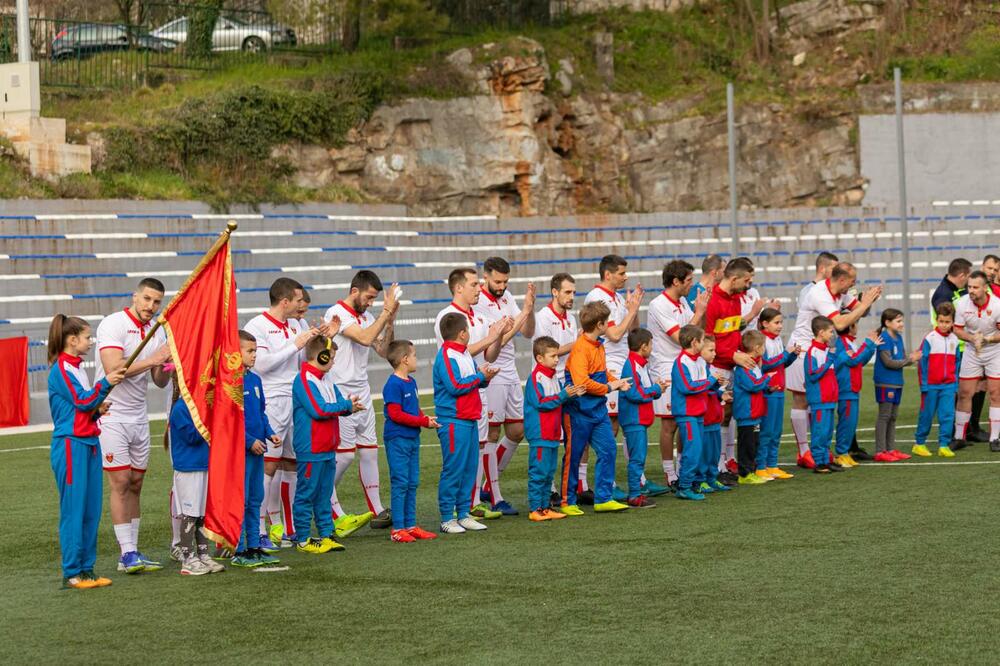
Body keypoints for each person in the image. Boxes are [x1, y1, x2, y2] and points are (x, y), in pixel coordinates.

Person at [94, 277, 172, 574]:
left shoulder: (156, 332)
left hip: (139, 416)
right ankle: (126, 553)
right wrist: (154, 357)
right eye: (147, 299)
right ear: (135, 297)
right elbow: (115, 368)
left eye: (156, 302)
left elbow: (159, 380)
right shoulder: (113, 323)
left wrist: (167, 366)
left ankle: (133, 551)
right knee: (121, 482)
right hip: (111, 413)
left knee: (137, 484)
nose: (151, 307)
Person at [243, 278, 326, 548]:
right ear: (285, 301)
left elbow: (303, 361)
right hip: (272, 400)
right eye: (299, 299)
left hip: (295, 396)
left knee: (293, 462)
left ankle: (290, 529)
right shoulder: (258, 325)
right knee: (268, 465)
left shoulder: (297, 324)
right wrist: (296, 343)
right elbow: (262, 365)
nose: (302, 304)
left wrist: (323, 339)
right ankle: (260, 530)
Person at [48, 314, 125, 589]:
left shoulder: (77, 367)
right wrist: (106, 383)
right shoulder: (62, 369)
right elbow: (81, 401)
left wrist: (97, 408)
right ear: (72, 340)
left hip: (90, 442)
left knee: (91, 510)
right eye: (87, 337)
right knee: (74, 510)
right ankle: (72, 573)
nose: (91, 342)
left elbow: (83, 407)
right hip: (71, 446)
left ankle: (87, 569)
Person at [323, 270, 400, 532]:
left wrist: (389, 321)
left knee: (369, 451)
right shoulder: (337, 314)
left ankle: (377, 510)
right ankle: (329, 507)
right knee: (343, 457)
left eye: (375, 299)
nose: (370, 303)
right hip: (340, 391)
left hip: (362, 390)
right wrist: (384, 314)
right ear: (355, 291)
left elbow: (382, 350)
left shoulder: (365, 316)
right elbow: (366, 338)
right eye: (368, 297)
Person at [786, 262, 882, 468]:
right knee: (802, 399)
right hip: (803, 347)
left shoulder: (841, 292)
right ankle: (804, 452)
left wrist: (868, 301)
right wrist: (864, 305)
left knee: (820, 402)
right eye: (852, 281)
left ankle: (818, 451)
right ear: (841, 280)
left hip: (824, 347)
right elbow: (839, 323)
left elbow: (859, 312)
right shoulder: (820, 293)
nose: (853, 285)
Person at [434, 267, 508, 520]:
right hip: (455, 412)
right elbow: (457, 373)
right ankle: (448, 515)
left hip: (473, 402)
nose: (479, 288)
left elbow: (486, 355)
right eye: (474, 284)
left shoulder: (476, 316)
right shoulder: (448, 318)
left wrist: (497, 337)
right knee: (455, 465)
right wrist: (492, 337)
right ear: (459, 288)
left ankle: (468, 507)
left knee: (471, 458)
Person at [474, 257, 536, 516]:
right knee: (491, 434)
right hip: (492, 370)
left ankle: (488, 485)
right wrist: (520, 315)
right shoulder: (480, 301)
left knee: (517, 430)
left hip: (510, 370)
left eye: (505, 281)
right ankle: (493, 495)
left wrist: (528, 310)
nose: (501, 286)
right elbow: (495, 340)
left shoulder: (508, 297)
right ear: (486, 277)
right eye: (497, 281)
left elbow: (528, 333)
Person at [290, 336, 363, 554]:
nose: (333, 362)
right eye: (331, 357)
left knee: (324, 494)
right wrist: (346, 405)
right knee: (306, 494)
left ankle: (326, 534)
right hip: (311, 448)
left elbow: (338, 404)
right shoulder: (304, 380)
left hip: (327, 447)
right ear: (321, 356)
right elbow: (320, 410)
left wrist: (349, 406)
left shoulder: (326, 379)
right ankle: (303, 539)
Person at [561, 301, 632, 514]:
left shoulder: (599, 345)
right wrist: (610, 386)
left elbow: (601, 373)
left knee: (609, 449)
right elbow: (583, 382)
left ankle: (603, 498)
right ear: (600, 324)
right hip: (578, 412)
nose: (609, 325)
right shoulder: (580, 349)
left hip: (597, 410)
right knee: (573, 455)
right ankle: (567, 501)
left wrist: (617, 382)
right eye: (607, 321)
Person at [583, 254, 643, 502]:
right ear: (608, 274)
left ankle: (634, 479)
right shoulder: (597, 298)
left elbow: (631, 330)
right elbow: (615, 335)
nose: (625, 277)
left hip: (621, 365)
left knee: (622, 422)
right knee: (609, 425)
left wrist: (634, 309)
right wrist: (631, 311)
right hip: (606, 365)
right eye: (621, 273)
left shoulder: (616, 298)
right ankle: (595, 483)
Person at [434, 313, 499, 534]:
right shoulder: (445, 356)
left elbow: (473, 383)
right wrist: (480, 377)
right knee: (453, 469)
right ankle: (446, 518)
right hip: (453, 421)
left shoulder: (463, 354)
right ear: (462, 333)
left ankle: (463, 513)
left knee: (469, 469)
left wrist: (485, 377)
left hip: (469, 418)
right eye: (468, 330)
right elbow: (455, 386)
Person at [647, 260, 706, 493]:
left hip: (686, 364)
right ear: (676, 281)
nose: (692, 284)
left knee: (685, 421)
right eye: (689, 280)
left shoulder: (682, 302)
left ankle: (684, 469)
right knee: (670, 422)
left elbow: (693, 332)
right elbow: (682, 337)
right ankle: (669, 472)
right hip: (665, 367)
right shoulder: (658, 304)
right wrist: (700, 312)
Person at [703, 257, 760, 480]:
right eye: (747, 280)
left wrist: (740, 352)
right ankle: (715, 467)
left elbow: (732, 330)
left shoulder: (735, 299)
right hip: (717, 366)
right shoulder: (713, 301)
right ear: (734, 278)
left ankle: (725, 464)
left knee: (727, 415)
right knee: (718, 415)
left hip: (731, 363)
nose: (749, 284)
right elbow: (708, 340)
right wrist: (733, 354)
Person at [232, 330, 282, 568]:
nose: (254, 356)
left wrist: (269, 432)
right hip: (240, 453)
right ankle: (237, 548)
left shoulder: (255, 379)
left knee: (255, 498)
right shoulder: (230, 382)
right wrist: (248, 440)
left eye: (255, 351)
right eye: (249, 351)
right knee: (240, 500)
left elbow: (260, 413)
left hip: (257, 451)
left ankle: (254, 546)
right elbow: (230, 421)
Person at [382, 340, 439, 543]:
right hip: (397, 439)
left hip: (413, 438)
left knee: (412, 482)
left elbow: (414, 409)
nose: (417, 359)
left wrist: (425, 419)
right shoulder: (393, 384)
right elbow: (395, 414)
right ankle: (397, 529)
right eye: (414, 355)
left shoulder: (411, 382)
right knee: (400, 483)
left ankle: (410, 525)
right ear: (405, 360)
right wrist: (422, 421)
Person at [534, 273, 582, 505]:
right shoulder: (543, 317)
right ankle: (551, 489)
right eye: (567, 292)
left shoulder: (571, 318)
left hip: (569, 381)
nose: (572, 296)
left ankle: (575, 485)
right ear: (555, 292)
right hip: (550, 383)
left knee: (572, 436)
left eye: (573, 292)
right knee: (552, 436)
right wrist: (578, 343)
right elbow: (547, 352)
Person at [524, 336, 582, 521]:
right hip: (540, 433)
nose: (557, 359)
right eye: (553, 356)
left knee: (549, 474)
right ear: (540, 358)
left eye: (557, 355)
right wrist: (564, 395)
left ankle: (545, 507)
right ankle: (535, 509)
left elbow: (558, 399)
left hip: (552, 433)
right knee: (539, 473)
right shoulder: (535, 378)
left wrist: (571, 394)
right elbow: (541, 403)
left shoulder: (552, 377)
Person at [168, 396, 225, 576]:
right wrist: (212, 418)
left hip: (203, 465)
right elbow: (192, 436)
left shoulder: (202, 404)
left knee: (202, 515)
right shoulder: (180, 408)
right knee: (190, 515)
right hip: (188, 469)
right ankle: (188, 558)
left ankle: (203, 554)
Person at [952, 271, 1000, 451]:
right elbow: (957, 329)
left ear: (985, 288)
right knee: (965, 393)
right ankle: (959, 437)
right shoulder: (962, 303)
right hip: (972, 350)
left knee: (996, 393)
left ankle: (994, 439)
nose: (970, 290)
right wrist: (973, 339)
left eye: (975, 287)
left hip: (994, 351)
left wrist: (986, 340)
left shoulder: (997, 305)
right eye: (969, 287)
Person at [671, 325, 720, 501]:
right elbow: (688, 387)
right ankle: (684, 486)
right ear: (694, 342)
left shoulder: (700, 361)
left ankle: (693, 483)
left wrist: (716, 386)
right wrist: (710, 381)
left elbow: (704, 385)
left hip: (698, 412)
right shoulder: (681, 362)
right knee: (692, 450)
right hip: (687, 414)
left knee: (697, 449)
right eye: (701, 341)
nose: (703, 344)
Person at [619, 329, 665, 508]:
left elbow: (642, 391)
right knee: (637, 459)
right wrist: (655, 389)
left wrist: (657, 389)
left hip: (639, 419)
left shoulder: (639, 364)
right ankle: (634, 495)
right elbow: (633, 393)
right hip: (634, 420)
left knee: (638, 458)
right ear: (644, 346)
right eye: (651, 344)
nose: (652, 347)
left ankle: (636, 492)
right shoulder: (631, 364)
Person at [913, 302, 961, 459]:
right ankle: (919, 444)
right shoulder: (929, 339)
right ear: (936, 320)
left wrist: (954, 383)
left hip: (948, 386)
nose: (944, 325)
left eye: (947, 322)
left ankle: (944, 445)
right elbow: (922, 363)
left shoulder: (955, 339)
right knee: (926, 415)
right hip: (931, 386)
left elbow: (957, 362)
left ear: (953, 322)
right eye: (941, 321)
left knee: (947, 415)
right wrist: (924, 385)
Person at [873, 308, 921, 457]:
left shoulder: (898, 338)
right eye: (898, 321)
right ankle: (880, 451)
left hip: (897, 382)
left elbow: (901, 358)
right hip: (885, 382)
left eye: (902, 321)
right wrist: (910, 360)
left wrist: (911, 358)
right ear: (887, 323)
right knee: (885, 416)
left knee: (893, 417)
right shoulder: (884, 338)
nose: (901, 324)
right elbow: (888, 362)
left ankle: (890, 449)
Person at [757, 308, 799, 480]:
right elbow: (763, 366)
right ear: (765, 324)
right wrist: (784, 355)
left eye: (781, 322)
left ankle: (772, 465)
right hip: (767, 392)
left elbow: (781, 365)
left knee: (776, 431)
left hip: (779, 392)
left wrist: (792, 356)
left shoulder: (778, 340)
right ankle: (760, 466)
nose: (780, 326)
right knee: (766, 431)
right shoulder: (762, 341)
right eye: (776, 322)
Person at [833, 320, 880, 468]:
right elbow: (853, 360)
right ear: (850, 327)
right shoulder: (842, 342)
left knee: (851, 423)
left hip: (853, 388)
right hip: (845, 389)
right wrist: (868, 344)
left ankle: (845, 452)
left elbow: (859, 361)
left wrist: (871, 347)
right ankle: (841, 453)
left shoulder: (849, 342)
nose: (857, 326)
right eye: (855, 323)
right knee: (846, 422)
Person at [732, 329, 772, 485]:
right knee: (747, 444)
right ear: (757, 347)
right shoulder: (743, 367)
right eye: (763, 346)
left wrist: (767, 386)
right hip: (746, 413)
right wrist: (767, 379)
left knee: (754, 443)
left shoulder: (754, 365)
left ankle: (752, 471)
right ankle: (744, 473)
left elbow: (757, 384)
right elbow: (752, 385)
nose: (764, 349)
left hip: (755, 413)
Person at [804, 316, 843, 475]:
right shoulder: (813, 351)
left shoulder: (826, 351)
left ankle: (827, 459)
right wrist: (829, 359)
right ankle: (818, 462)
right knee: (819, 431)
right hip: (819, 399)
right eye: (830, 332)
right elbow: (813, 375)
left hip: (829, 399)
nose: (833, 335)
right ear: (821, 333)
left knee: (827, 431)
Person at [698, 336, 732, 493]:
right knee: (704, 452)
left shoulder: (708, 369)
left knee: (714, 451)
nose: (714, 354)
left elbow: (710, 391)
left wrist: (721, 394)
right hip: (704, 419)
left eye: (715, 350)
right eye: (711, 350)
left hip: (714, 419)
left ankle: (712, 478)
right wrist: (714, 383)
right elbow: (699, 389)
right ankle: (701, 480)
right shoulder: (698, 368)